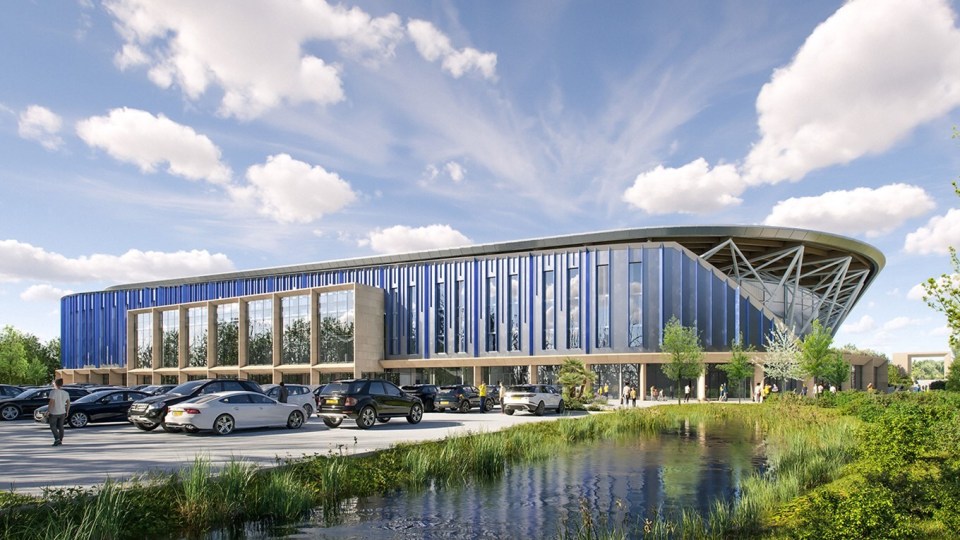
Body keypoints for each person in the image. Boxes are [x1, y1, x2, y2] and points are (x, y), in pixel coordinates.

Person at [48, 378, 70, 447]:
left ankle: (57, 438)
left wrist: (48, 411)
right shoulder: (66, 393)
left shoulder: (53, 392)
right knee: (61, 426)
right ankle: (60, 440)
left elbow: (51, 402)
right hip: (62, 412)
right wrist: (67, 411)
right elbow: (68, 403)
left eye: (53, 383)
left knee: (53, 426)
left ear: (55, 384)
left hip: (54, 412)